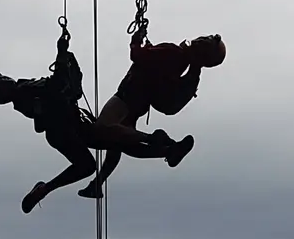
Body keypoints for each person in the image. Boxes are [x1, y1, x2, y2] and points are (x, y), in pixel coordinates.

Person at [0, 26, 187, 213]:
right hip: (67, 129)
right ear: (1, 96)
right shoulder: (24, 92)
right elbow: (56, 86)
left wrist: (64, 59)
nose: (3, 80)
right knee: (108, 145)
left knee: (112, 145)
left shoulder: (23, 92)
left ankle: (165, 148)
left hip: (69, 127)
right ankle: (158, 143)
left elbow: (57, 88)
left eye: (0, 77)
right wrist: (62, 53)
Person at [76, 30, 224, 199]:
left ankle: (153, 139)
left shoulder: (174, 53)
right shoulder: (184, 65)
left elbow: (138, 56)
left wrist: (135, 42)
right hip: (140, 101)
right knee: (118, 142)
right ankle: (166, 151)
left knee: (103, 129)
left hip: (128, 95)